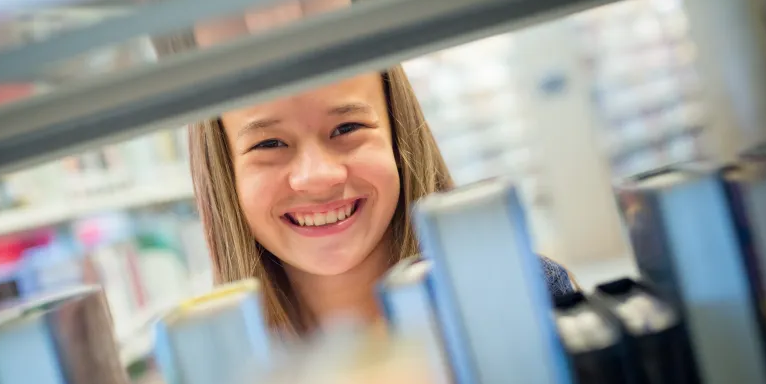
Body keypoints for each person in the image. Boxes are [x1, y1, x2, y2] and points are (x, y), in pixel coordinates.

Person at [189, 66, 574, 336]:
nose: (318, 176)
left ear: (399, 135)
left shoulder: (529, 294)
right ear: (226, 174)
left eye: (347, 128)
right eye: (269, 144)